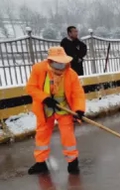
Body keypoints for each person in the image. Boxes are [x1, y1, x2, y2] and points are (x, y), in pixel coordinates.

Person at [26, 46, 86, 175]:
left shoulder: (71, 74)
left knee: (67, 135)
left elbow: (78, 94)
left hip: (64, 109)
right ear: (50, 61)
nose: (60, 65)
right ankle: (40, 162)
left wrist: (79, 110)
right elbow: (31, 88)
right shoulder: (38, 69)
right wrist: (45, 98)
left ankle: (73, 161)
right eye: (57, 62)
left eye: (62, 62)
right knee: (42, 135)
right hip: (45, 108)